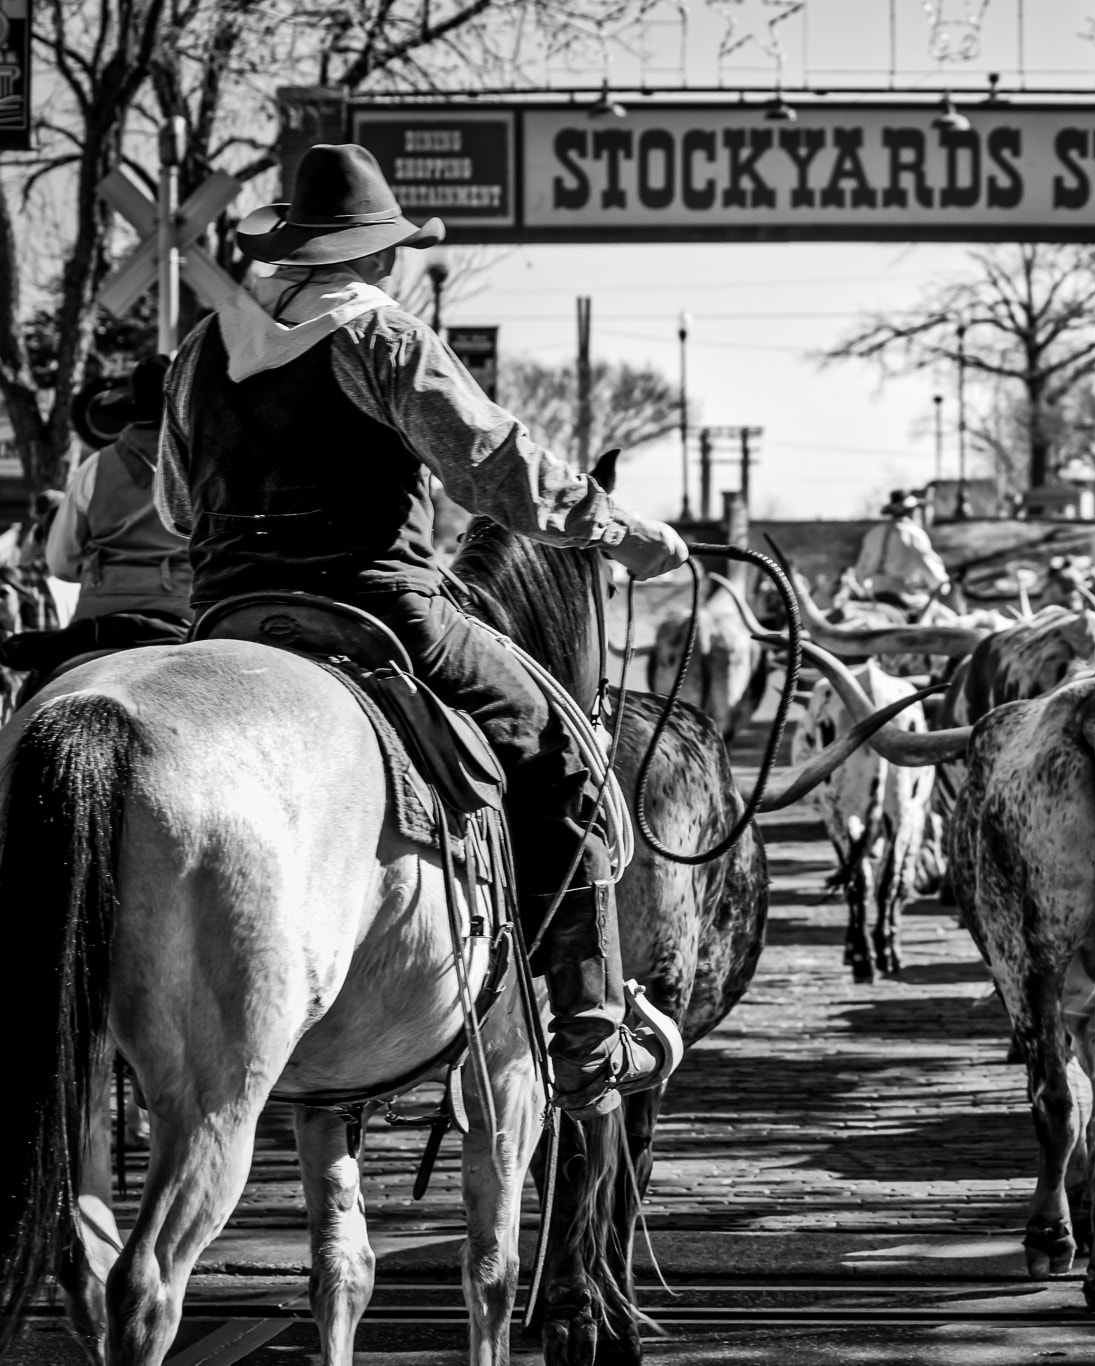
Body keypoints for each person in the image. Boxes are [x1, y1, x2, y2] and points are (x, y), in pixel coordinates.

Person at [157, 143, 691, 1117]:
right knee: (559, 745)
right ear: (380, 254)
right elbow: (497, 472)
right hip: (376, 608)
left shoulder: (201, 350)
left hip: (222, 616)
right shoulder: (382, 336)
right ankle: (585, 1025)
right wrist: (628, 535)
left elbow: (170, 501)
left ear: (292, 248)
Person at [0, 356, 191, 695]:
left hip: (98, 618)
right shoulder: (209, 467)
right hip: (187, 616)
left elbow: (60, 564)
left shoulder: (93, 468)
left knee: (31, 691)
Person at [853, 489, 949, 612]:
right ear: (911, 512)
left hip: (875, 596)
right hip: (902, 596)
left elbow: (860, 571)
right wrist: (942, 583)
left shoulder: (873, 534)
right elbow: (930, 567)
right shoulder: (913, 533)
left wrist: (867, 589)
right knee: (943, 616)